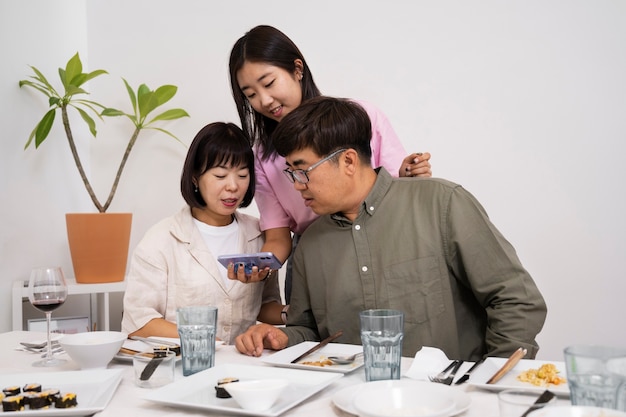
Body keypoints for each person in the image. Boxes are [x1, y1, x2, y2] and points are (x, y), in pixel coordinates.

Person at [234, 96, 547, 361]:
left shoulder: (442, 203)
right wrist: (282, 337)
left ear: (347, 161)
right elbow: (309, 330)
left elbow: (515, 299)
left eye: (302, 171)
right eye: (291, 174)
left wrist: (493, 379)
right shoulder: (312, 242)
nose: (297, 185)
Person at [228, 25, 432, 303]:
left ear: (297, 69)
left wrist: (407, 175)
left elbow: (394, 192)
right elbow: (278, 236)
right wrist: (261, 268)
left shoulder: (360, 116)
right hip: (314, 259)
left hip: (378, 247)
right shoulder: (263, 156)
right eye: (250, 94)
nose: (264, 100)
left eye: (269, 83)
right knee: (312, 342)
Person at [121, 122, 283, 344]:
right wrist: (207, 341)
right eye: (220, 176)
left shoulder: (260, 235)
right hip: (181, 366)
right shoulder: (161, 239)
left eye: (243, 175)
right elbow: (139, 322)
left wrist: (291, 313)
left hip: (242, 367)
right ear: (195, 177)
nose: (233, 186)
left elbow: (265, 307)